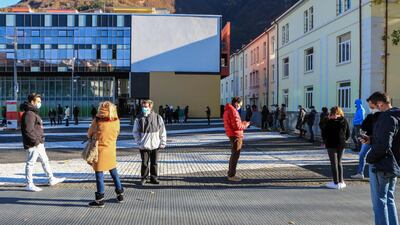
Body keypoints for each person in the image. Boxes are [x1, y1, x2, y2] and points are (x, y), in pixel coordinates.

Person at [362, 92, 400, 225]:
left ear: (380, 103)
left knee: (380, 201)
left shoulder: (387, 117)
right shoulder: (396, 115)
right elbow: (391, 140)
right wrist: (371, 139)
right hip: (393, 164)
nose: (373, 109)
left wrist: (370, 158)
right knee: (388, 198)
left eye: (372, 106)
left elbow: (384, 144)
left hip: (382, 164)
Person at [21, 93, 65, 192]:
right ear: (32, 102)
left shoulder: (33, 113)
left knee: (45, 160)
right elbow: (28, 130)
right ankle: (29, 184)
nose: (40, 103)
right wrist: (36, 141)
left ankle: (51, 179)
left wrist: (39, 141)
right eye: (38, 101)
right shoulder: (29, 114)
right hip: (33, 144)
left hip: (38, 143)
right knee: (30, 163)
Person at [87, 101, 124, 208]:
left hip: (99, 150)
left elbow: (89, 133)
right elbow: (117, 133)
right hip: (111, 149)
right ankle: (120, 194)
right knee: (113, 172)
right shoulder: (116, 120)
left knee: (99, 175)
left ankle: (100, 200)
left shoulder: (97, 120)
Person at [133, 99, 167, 185]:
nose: (144, 108)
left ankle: (153, 178)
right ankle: (144, 178)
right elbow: (135, 132)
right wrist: (139, 143)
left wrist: (163, 142)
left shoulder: (158, 117)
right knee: (144, 163)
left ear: (150, 106)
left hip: (155, 145)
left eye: (146, 106)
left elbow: (162, 130)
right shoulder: (139, 118)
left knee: (154, 163)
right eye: (143, 106)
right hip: (144, 145)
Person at [322, 106, 350, 189]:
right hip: (341, 144)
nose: (332, 115)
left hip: (331, 144)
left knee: (334, 163)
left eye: (332, 113)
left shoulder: (329, 121)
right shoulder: (344, 120)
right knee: (339, 163)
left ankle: (335, 182)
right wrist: (344, 140)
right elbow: (348, 133)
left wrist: (324, 141)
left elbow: (324, 132)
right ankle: (341, 181)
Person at [223, 97, 250, 182]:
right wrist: (245, 124)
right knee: (235, 155)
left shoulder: (227, 110)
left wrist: (242, 123)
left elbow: (234, 124)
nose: (240, 107)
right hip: (236, 135)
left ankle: (231, 173)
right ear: (236, 103)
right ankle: (231, 175)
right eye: (240, 105)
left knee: (234, 154)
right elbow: (237, 126)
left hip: (232, 134)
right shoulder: (233, 111)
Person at [351, 107, 381, 179]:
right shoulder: (370, 116)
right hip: (369, 138)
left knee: (366, 155)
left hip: (374, 139)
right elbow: (364, 126)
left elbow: (364, 127)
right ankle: (360, 173)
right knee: (362, 154)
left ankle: (373, 173)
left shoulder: (379, 116)